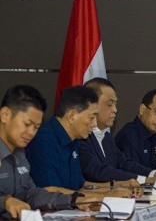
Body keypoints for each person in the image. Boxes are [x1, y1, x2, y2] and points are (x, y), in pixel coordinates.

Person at [0, 85, 98, 219]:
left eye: (36, 127)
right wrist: (6, 201)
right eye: (27, 124)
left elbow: (32, 195)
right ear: (5, 114)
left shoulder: (20, 154)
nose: (31, 133)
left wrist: (73, 200)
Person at [25, 86, 137, 197]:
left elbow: (81, 186)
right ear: (72, 116)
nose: (94, 124)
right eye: (92, 117)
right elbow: (50, 191)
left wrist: (117, 185)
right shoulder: (44, 140)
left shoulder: (74, 141)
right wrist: (105, 196)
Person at [79, 78, 156, 185]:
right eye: (109, 104)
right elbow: (99, 171)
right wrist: (144, 180)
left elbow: (124, 163)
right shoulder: (81, 137)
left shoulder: (107, 138)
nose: (115, 110)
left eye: (115, 104)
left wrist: (153, 174)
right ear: (91, 104)